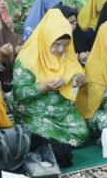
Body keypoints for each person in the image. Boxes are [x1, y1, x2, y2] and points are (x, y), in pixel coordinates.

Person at [12, 9, 89, 147]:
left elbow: (74, 74)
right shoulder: (26, 59)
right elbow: (19, 93)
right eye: (56, 44)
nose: (61, 50)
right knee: (42, 133)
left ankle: (50, 144)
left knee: (81, 133)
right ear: (46, 39)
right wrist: (44, 87)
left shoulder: (66, 56)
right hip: (34, 110)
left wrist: (76, 81)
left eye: (65, 44)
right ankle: (47, 142)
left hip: (61, 109)